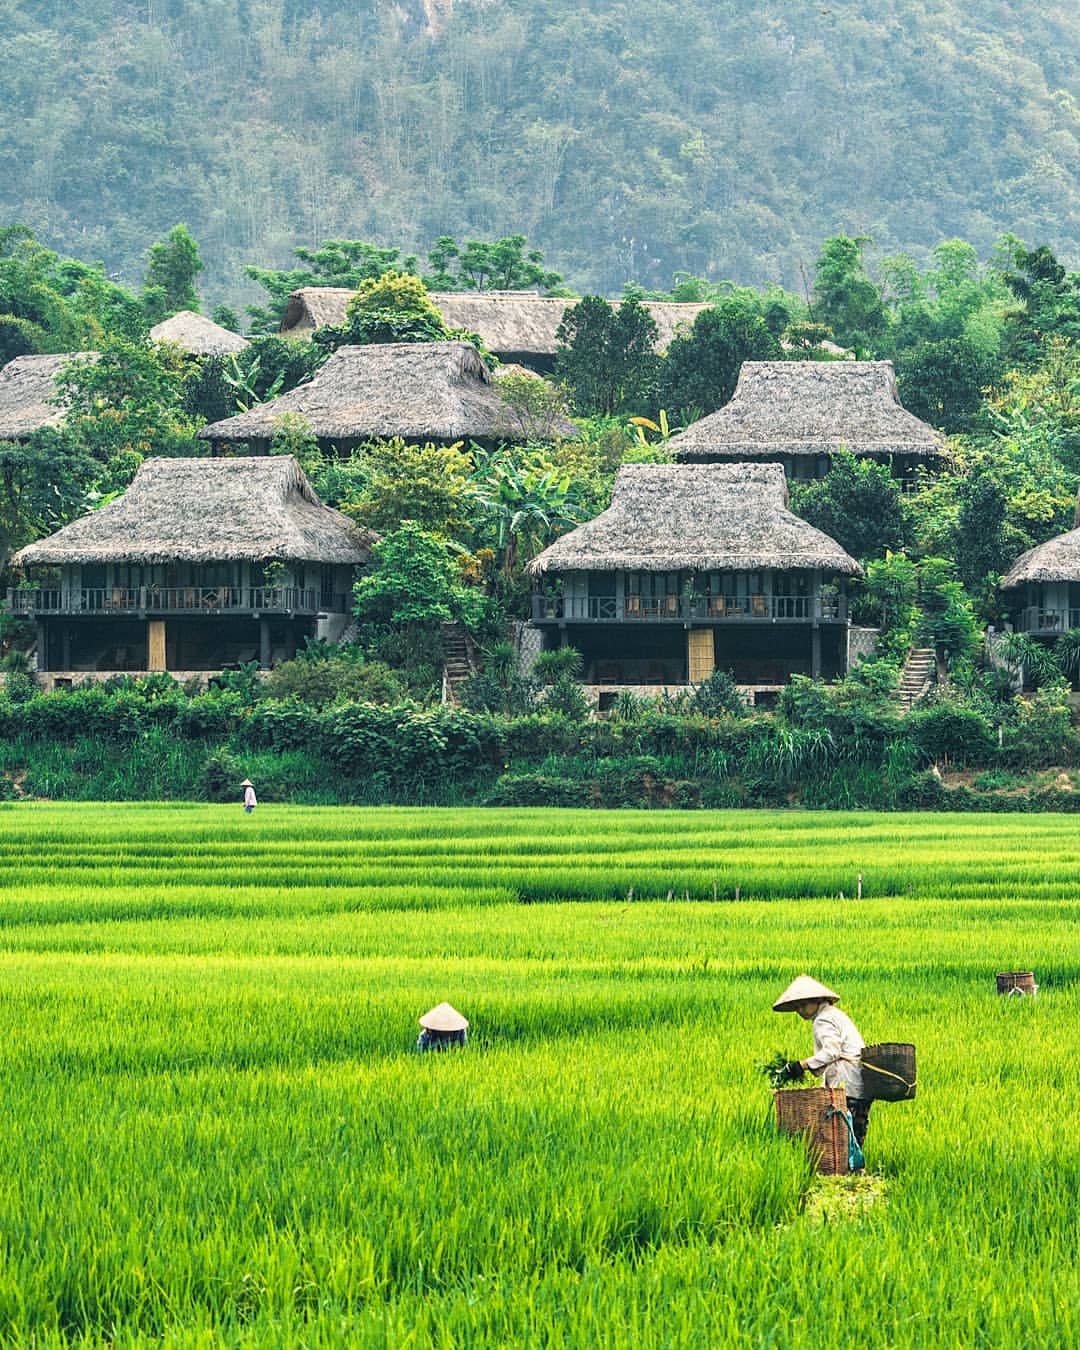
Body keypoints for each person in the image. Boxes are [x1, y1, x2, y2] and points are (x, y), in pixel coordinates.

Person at [772, 974, 872, 1150]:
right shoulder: (835, 1014)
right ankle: (855, 1171)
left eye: (804, 1005)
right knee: (856, 1131)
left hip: (846, 1082)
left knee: (843, 1132)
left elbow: (833, 1051)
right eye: (797, 1007)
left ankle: (847, 1171)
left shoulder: (822, 1020)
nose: (800, 1010)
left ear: (817, 1000)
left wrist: (802, 1065)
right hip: (860, 1080)